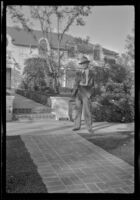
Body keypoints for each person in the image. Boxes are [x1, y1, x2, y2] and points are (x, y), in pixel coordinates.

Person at [72, 56, 95, 134]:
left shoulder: (92, 73)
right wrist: (74, 93)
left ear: (87, 63)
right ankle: (76, 126)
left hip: (87, 91)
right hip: (79, 91)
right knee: (77, 110)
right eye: (81, 64)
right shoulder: (78, 72)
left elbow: (94, 85)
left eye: (84, 63)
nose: (82, 65)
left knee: (87, 111)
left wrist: (90, 94)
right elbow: (75, 83)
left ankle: (89, 127)